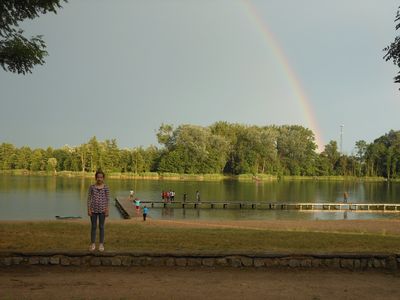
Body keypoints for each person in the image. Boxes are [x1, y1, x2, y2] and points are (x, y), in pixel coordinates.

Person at [87, 170, 110, 252]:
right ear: (95, 178)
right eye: (98, 177)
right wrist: (89, 209)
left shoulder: (106, 187)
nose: (99, 179)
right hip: (93, 210)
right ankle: (93, 244)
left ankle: (101, 244)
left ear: (103, 178)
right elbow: (89, 199)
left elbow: (107, 199)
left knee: (101, 227)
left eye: (101, 177)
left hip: (102, 211)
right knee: (93, 227)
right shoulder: (92, 187)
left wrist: (107, 210)